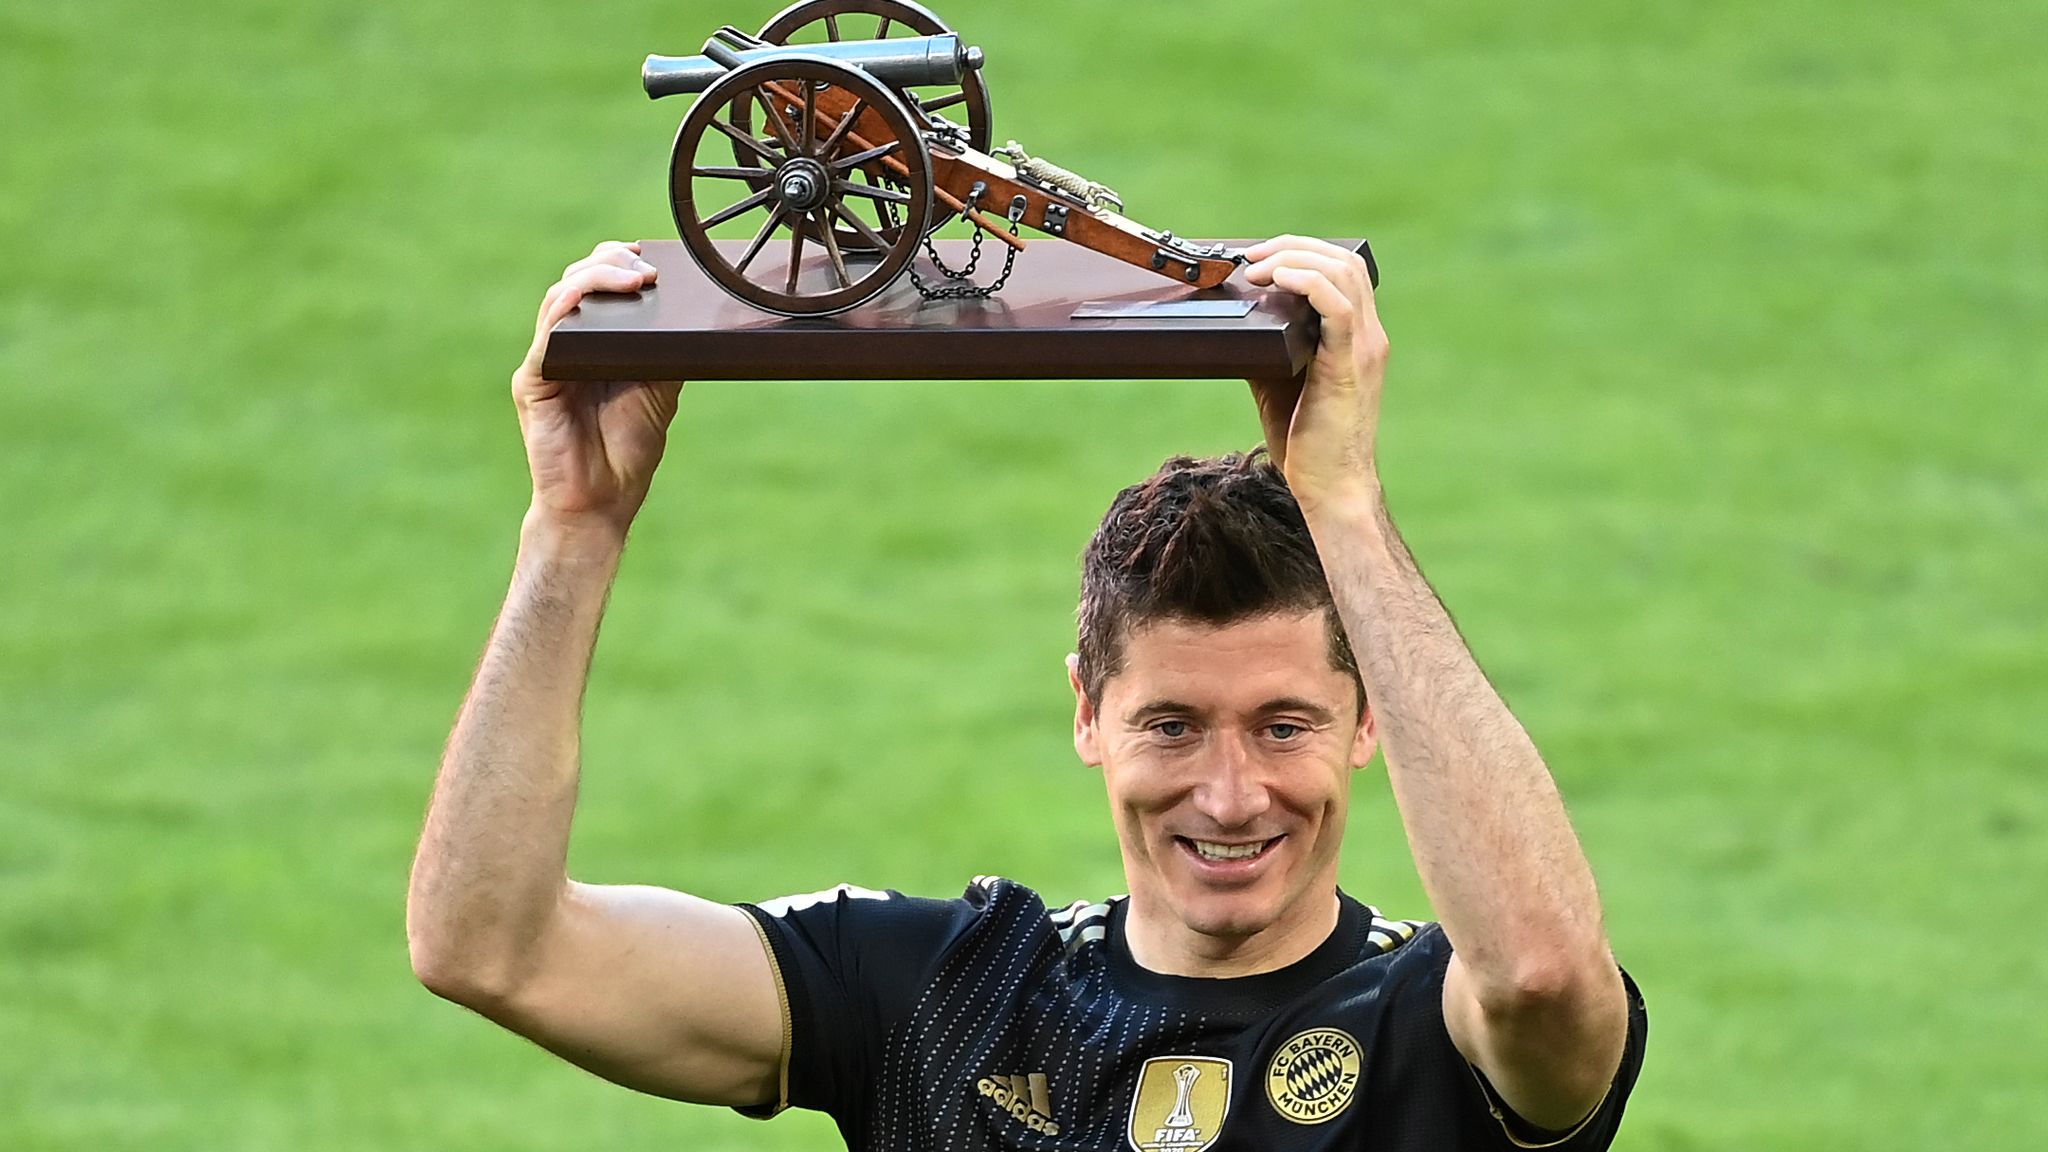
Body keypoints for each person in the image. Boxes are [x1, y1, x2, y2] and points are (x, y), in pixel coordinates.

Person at [406, 236, 1648, 1150]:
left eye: (1284, 725)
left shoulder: (1425, 1026)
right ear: (1085, 714)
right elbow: (490, 946)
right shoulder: (946, 993)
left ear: (1368, 719)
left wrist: (1345, 507)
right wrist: (573, 529)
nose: (1230, 792)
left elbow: (1541, 970)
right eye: (1171, 723)